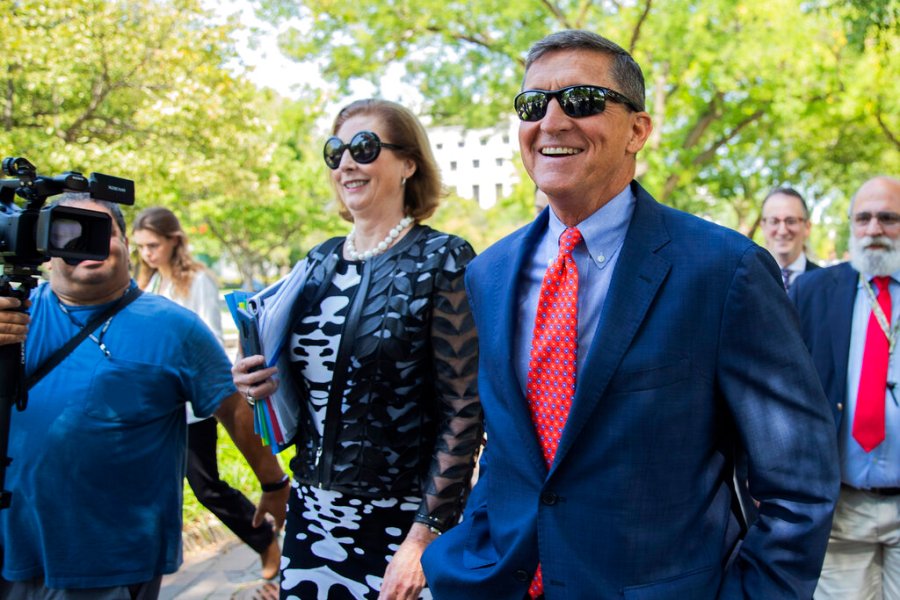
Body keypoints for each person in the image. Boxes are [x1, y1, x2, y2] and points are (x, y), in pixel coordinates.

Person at [421, 30, 840, 599]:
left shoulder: (725, 270)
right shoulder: (488, 274)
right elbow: (514, 451)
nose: (552, 121)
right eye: (531, 104)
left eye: (582, 101)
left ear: (638, 130)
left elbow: (799, 481)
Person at [232, 98, 483, 600]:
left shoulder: (443, 259)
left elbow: (464, 410)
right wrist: (257, 384)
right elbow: (305, 386)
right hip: (312, 513)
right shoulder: (318, 262)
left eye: (364, 148)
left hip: (403, 520)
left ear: (408, 163)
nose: (347, 162)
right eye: (336, 151)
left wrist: (423, 537)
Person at [0, 193, 289, 599]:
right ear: (46, 251)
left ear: (123, 241)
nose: (86, 244)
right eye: (68, 233)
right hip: (13, 546)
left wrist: (273, 484)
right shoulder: (15, 313)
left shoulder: (175, 327)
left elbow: (233, 407)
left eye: (101, 232)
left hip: (111, 562)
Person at [132, 206, 281, 580]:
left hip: (192, 406)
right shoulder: (148, 284)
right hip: (156, 406)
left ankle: (265, 540)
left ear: (173, 241)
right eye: (141, 247)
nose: (147, 254)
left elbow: (209, 346)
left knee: (206, 487)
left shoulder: (197, 280)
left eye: (153, 245)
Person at [791, 176, 900, 599]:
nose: (874, 229)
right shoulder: (813, 291)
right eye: (864, 218)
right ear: (851, 225)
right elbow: (786, 395)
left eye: (888, 218)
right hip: (842, 509)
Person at [760, 187, 821, 290]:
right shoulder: (749, 281)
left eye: (791, 221)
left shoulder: (826, 283)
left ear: (807, 227)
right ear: (763, 227)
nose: (782, 231)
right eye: (774, 221)